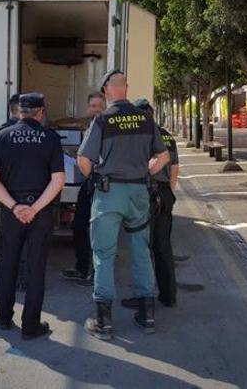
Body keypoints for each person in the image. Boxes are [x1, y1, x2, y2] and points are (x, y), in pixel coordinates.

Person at [77, 71, 170, 339]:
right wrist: (145, 172)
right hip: (139, 192)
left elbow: (84, 161)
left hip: (109, 193)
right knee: (141, 251)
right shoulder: (145, 118)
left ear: (107, 90)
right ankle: (147, 315)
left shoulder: (102, 119)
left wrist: (98, 176)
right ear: (126, 88)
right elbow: (163, 156)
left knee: (104, 255)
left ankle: (103, 321)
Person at [0, 93, 66, 340]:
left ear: (19, 112)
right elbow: (58, 180)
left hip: (11, 212)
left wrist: (14, 207)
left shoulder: (2, 136)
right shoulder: (50, 138)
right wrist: (35, 208)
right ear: (40, 112)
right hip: (40, 212)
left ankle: (3, 317)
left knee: (7, 263)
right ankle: (31, 326)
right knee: (35, 267)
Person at [122, 99, 180, 309]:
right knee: (163, 246)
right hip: (164, 193)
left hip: (146, 192)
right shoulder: (166, 135)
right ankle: (168, 295)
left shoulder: (140, 136)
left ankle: (143, 298)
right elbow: (175, 168)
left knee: (142, 247)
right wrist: (170, 194)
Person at [60, 91, 107, 287]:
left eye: (99, 105)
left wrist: (83, 162)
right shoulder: (89, 126)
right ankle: (82, 268)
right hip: (90, 182)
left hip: (101, 182)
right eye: (93, 106)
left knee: (99, 231)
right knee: (80, 226)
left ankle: (96, 274)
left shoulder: (107, 125)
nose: (96, 109)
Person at [0, 93, 28, 290]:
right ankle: (22, 279)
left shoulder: (1, 133)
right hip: (28, 194)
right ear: (19, 109)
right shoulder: (33, 132)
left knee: (8, 241)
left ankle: (7, 280)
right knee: (24, 241)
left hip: (5, 195)